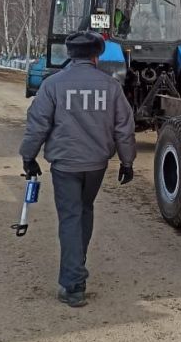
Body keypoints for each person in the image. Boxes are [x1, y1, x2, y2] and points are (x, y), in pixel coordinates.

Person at [19, 29, 136, 308]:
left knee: (70, 217)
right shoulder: (111, 86)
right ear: (97, 55)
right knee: (84, 211)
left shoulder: (53, 84)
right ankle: (76, 268)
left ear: (70, 54)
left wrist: (28, 156)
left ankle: (73, 285)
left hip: (65, 165)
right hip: (95, 165)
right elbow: (124, 128)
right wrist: (127, 161)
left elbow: (38, 125)